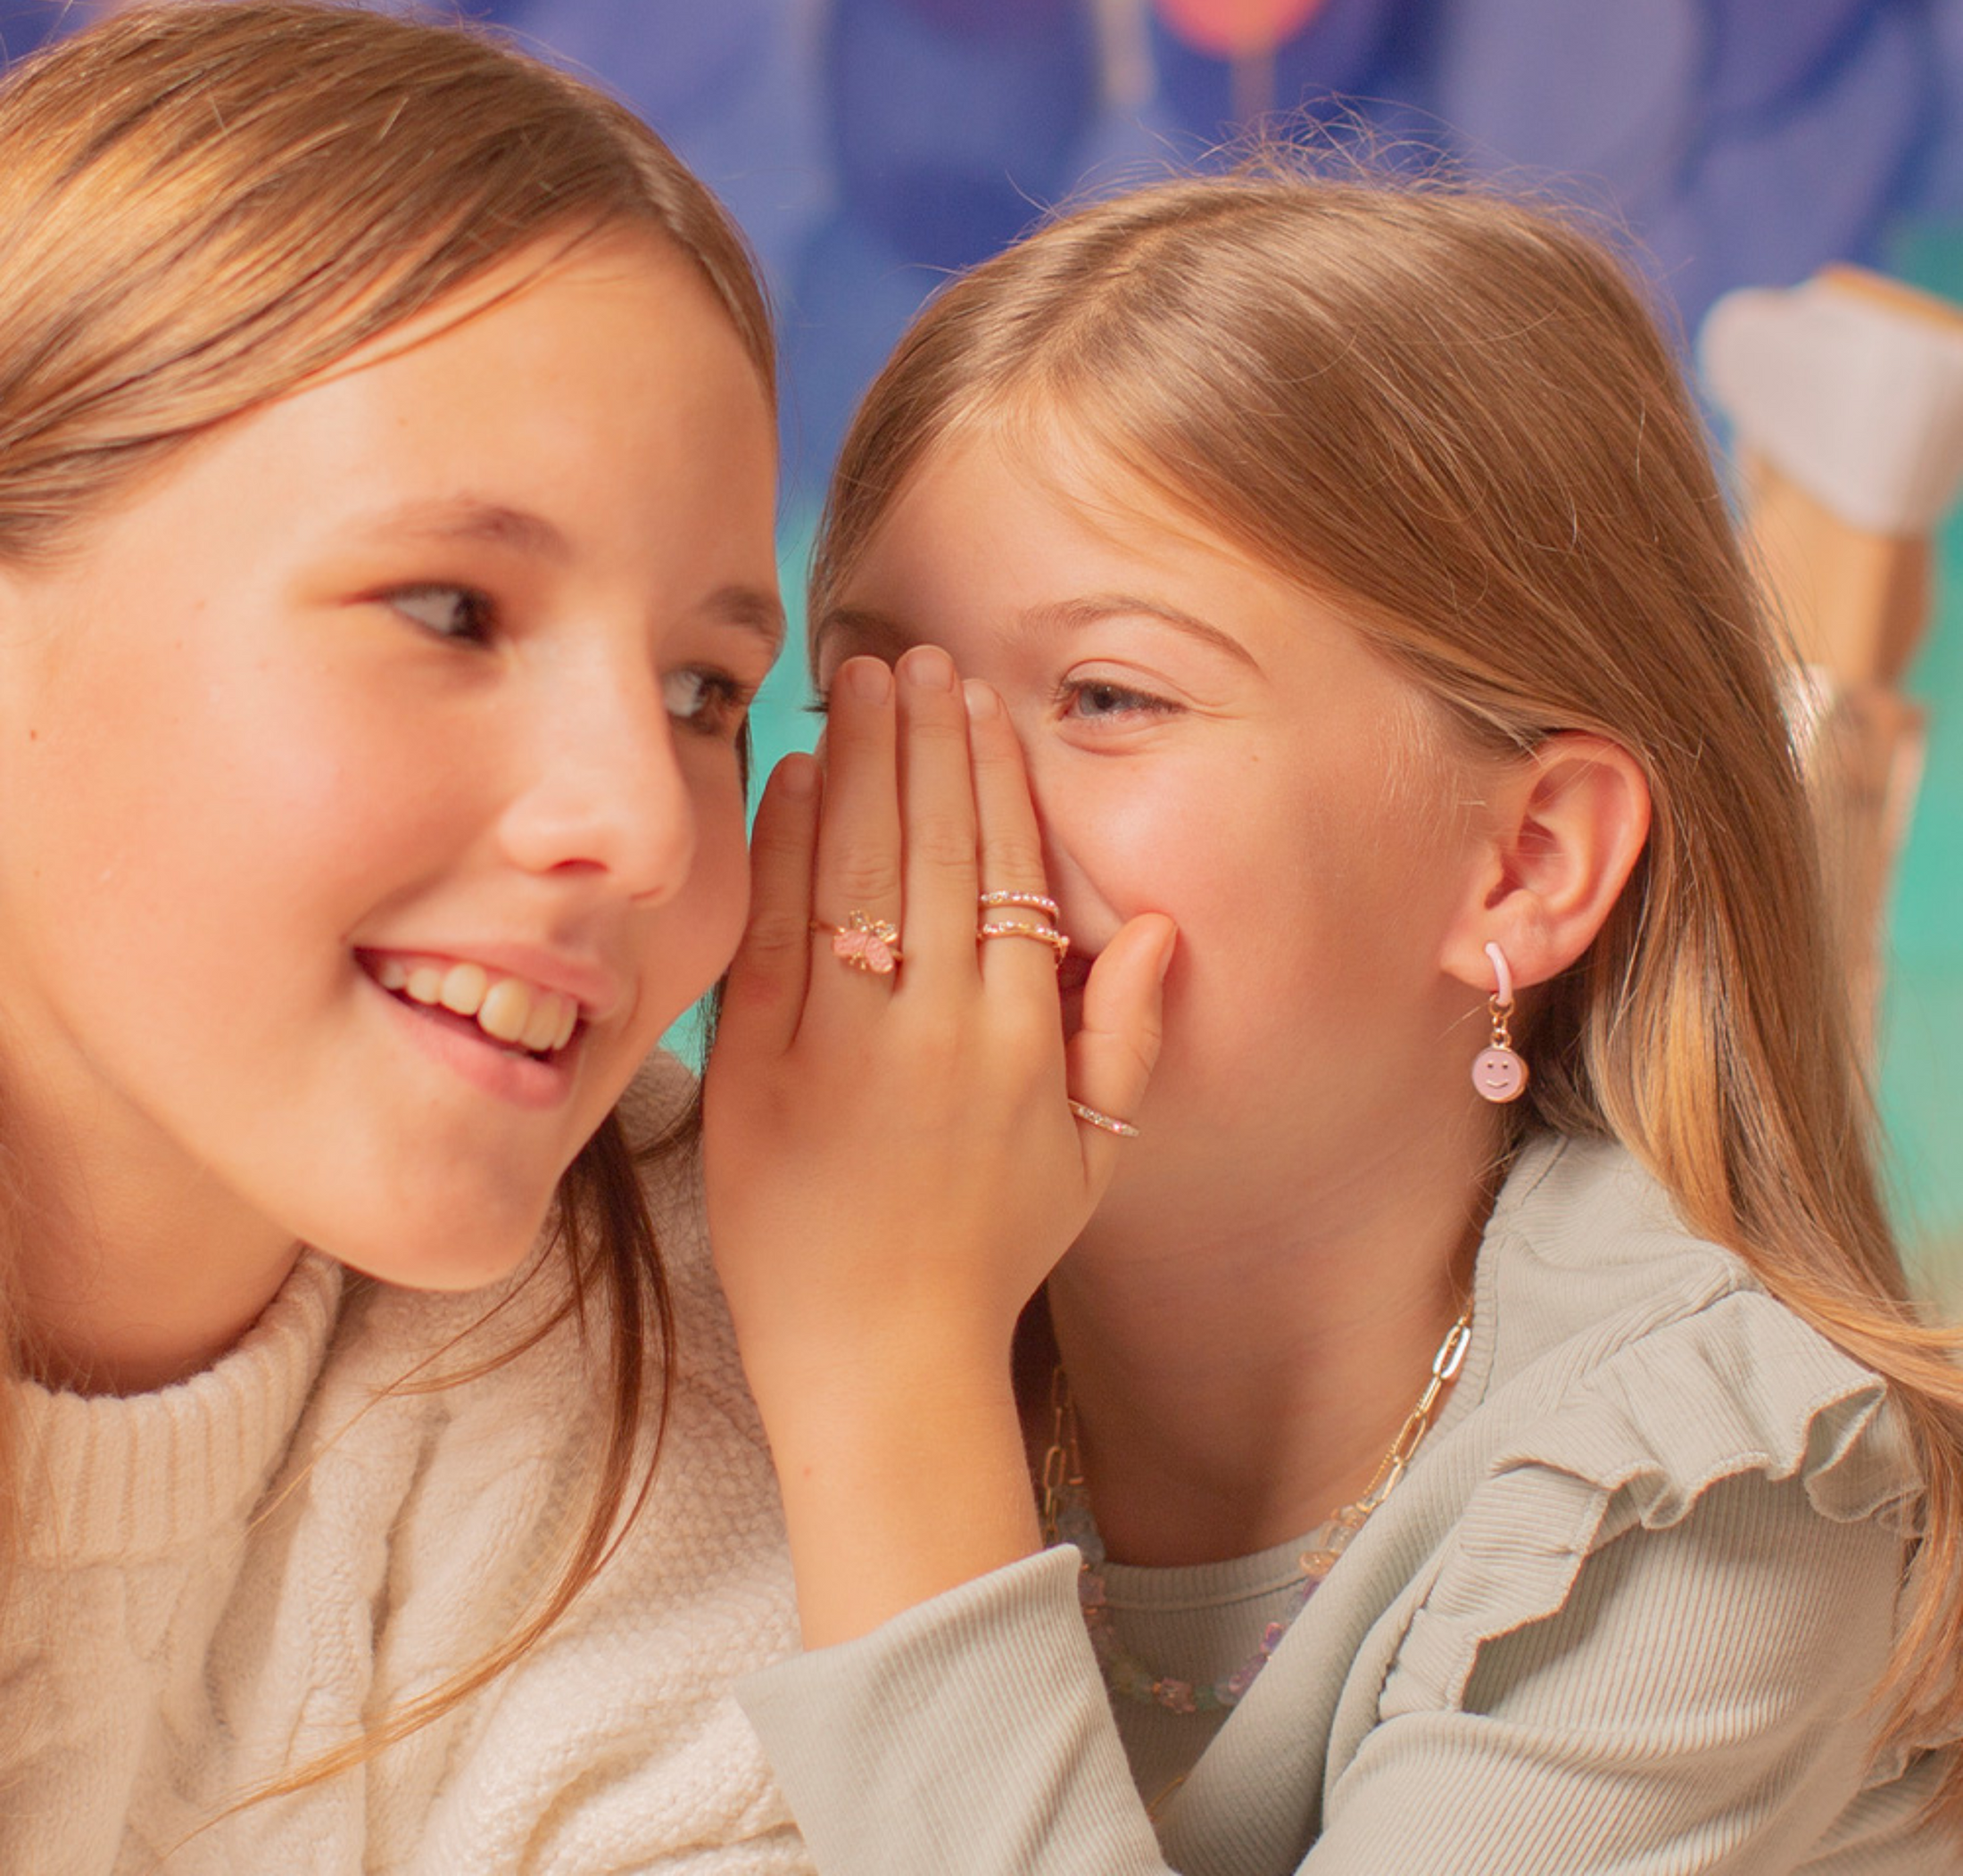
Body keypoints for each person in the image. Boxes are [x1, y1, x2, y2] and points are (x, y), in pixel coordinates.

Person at [703, 169, 1963, 1871]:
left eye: (1106, 697)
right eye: (869, 693)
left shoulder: (1711, 1503)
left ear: (1520, 865)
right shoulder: (771, 1255)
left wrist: (884, 1372)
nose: (947, 808)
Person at [0, 0, 808, 1872]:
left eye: (704, 689)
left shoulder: (658, 1347)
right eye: (449, 609)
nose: (631, 824)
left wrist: (888, 1363)